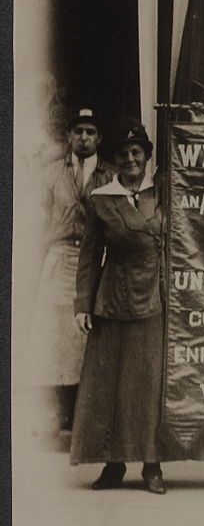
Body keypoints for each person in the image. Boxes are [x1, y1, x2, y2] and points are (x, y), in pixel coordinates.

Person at [71, 120, 166, 494]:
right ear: (115, 159)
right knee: (110, 387)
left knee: (147, 387)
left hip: (153, 301)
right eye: (124, 154)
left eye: (137, 152)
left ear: (146, 157)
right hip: (111, 301)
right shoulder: (101, 198)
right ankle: (113, 465)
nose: (130, 159)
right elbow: (89, 255)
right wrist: (83, 304)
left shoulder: (161, 194)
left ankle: (152, 466)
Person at [30, 107, 114, 444]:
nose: (83, 137)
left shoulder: (109, 176)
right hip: (59, 256)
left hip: (93, 259)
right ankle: (54, 414)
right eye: (78, 131)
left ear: (99, 138)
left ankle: (86, 417)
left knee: (88, 335)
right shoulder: (51, 174)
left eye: (90, 131)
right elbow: (37, 222)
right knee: (51, 337)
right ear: (69, 136)